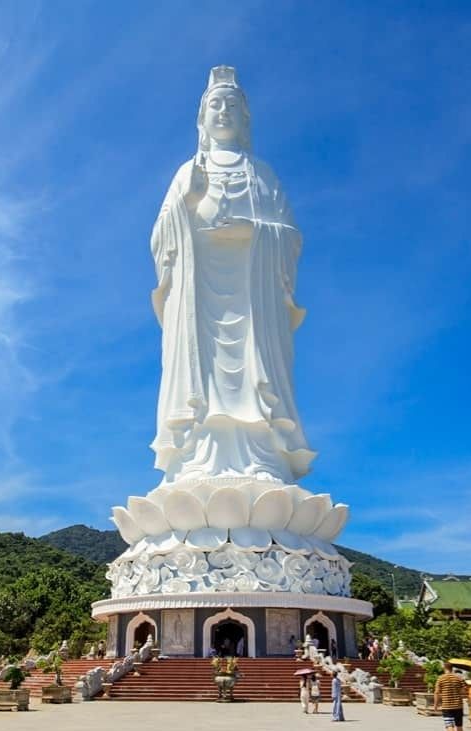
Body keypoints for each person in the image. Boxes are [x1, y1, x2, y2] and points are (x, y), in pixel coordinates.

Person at [149, 65, 312, 486]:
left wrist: (254, 233)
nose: (223, 112)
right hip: (198, 296)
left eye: (232, 105)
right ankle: (197, 460)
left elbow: (291, 237)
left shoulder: (261, 175)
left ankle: (264, 459)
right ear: (202, 118)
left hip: (252, 298)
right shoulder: (187, 172)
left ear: (245, 118)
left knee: (256, 377)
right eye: (215, 105)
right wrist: (184, 206)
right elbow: (159, 239)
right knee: (200, 379)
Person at [433, 663, 467, 731]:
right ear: (452, 668)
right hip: (458, 705)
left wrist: (435, 705)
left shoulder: (441, 678)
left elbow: (437, 693)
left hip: (447, 706)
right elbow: (464, 691)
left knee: (449, 725)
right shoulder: (459, 678)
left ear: (444, 668)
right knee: (459, 726)